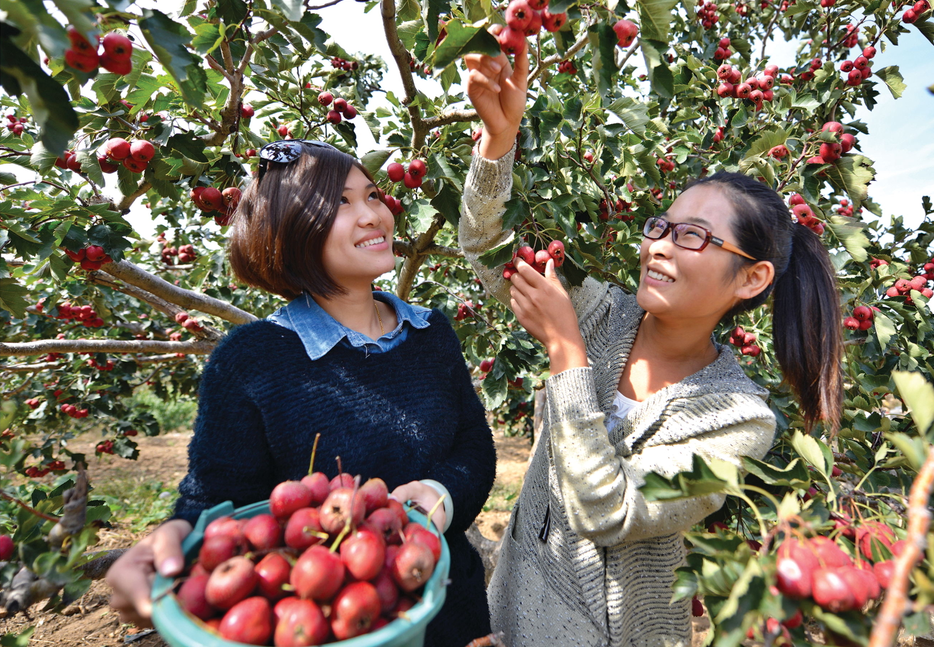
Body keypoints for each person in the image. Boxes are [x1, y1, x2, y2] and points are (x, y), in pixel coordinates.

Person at [459, 42, 843, 646]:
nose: (658, 245)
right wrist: (498, 145)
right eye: (659, 226)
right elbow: (488, 247)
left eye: (692, 235)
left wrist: (565, 351)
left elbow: (606, 511)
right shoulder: (604, 313)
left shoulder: (739, 421)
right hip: (508, 611)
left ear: (751, 277)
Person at [106, 139, 496, 647]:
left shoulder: (431, 333)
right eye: (340, 203)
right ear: (291, 227)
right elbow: (216, 502)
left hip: (450, 608)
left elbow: (473, 446)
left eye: (373, 195)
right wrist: (178, 540)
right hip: (326, 622)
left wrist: (441, 495)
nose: (372, 215)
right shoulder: (251, 360)